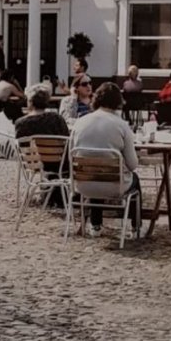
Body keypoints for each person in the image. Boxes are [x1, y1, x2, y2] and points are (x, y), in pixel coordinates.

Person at [70, 82, 142, 238]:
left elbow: (71, 154)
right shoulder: (121, 125)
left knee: (96, 171)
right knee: (134, 179)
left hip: (82, 185)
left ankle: (96, 226)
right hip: (113, 186)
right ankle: (136, 227)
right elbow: (132, 165)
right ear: (118, 101)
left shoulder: (80, 122)